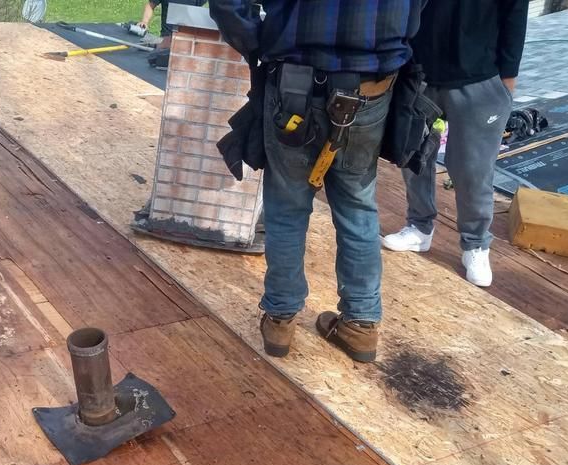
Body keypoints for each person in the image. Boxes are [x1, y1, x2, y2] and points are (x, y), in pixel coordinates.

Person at [209, 0, 425, 362]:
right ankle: (361, 324)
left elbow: (227, 5)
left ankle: (279, 319)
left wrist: (262, 43)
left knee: (287, 205)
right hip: (370, 88)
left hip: (294, 84)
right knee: (357, 205)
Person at [381, 0, 529, 287]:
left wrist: (508, 79)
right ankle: (419, 226)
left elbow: (515, 12)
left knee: (473, 170)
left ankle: (475, 245)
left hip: (480, 77)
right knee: (413, 157)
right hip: (419, 71)